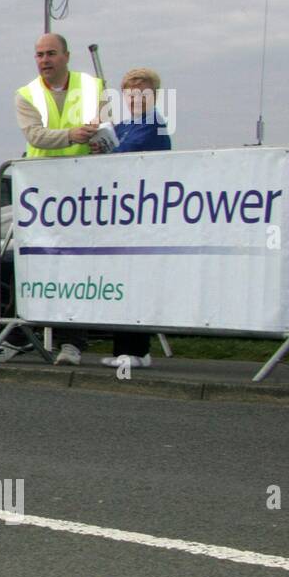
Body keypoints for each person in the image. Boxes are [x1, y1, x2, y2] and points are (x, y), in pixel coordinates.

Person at [15, 33, 111, 365]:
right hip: (42, 192)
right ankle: (26, 333)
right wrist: (72, 134)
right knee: (39, 264)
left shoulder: (92, 86)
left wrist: (102, 139)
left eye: (51, 53)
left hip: (83, 191)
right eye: (39, 54)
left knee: (77, 266)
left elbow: (109, 125)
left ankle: (72, 342)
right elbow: (35, 135)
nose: (44, 60)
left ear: (66, 56)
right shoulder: (26, 94)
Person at [100, 67, 172, 370]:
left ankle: (139, 349)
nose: (134, 98)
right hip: (124, 210)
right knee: (122, 280)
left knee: (137, 280)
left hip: (144, 212)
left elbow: (124, 153)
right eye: (129, 92)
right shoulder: (126, 124)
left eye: (140, 92)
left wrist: (108, 143)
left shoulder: (153, 124)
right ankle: (124, 347)